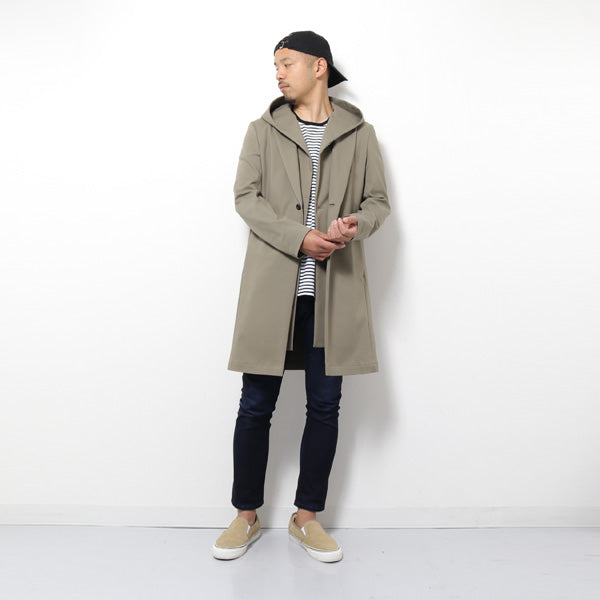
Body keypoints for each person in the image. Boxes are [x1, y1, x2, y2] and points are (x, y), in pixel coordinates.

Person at [212, 30, 390, 563]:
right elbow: (246, 198)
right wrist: (300, 237)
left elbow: (378, 201)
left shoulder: (360, 134)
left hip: (333, 293)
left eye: (286, 63)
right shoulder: (261, 131)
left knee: (325, 405)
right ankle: (245, 515)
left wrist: (356, 224)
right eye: (276, 65)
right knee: (255, 404)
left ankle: (306, 517)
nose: (278, 73)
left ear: (319, 66)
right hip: (274, 291)